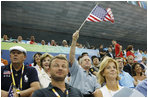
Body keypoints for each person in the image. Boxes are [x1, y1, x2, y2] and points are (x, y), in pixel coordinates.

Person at [69, 30, 100, 96]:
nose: (87, 61)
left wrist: (97, 90)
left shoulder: (94, 78)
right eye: (85, 60)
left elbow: (98, 88)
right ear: (80, 63)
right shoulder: (76, 70)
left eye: (89, 60)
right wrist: (74, 40)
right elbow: (72, 57)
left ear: (91, 64)